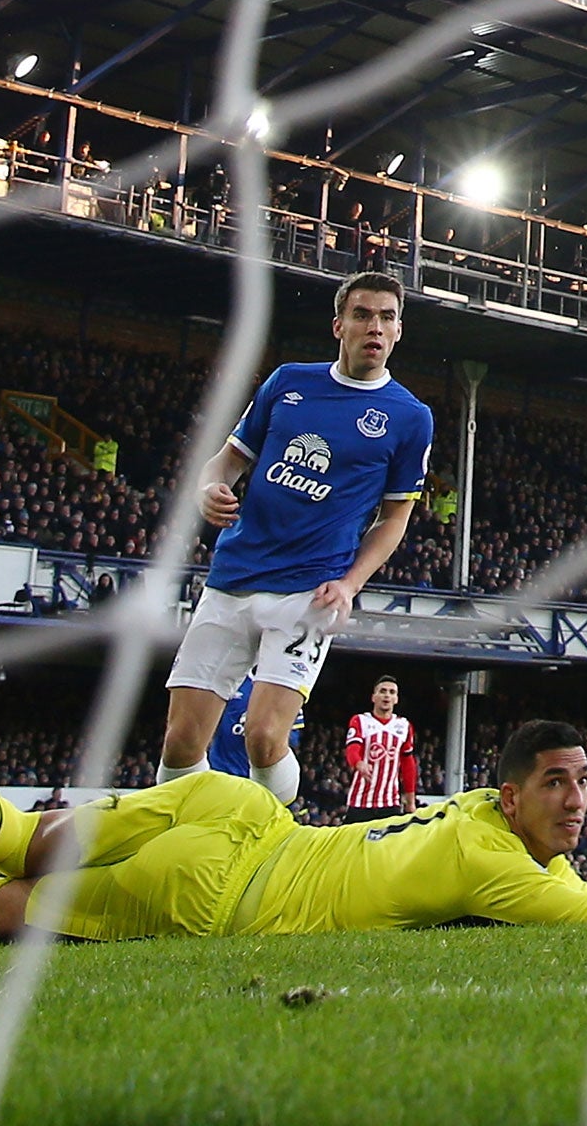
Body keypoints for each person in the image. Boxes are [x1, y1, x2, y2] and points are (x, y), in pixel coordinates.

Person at [0, 720, 587, 941]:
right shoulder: (502, 870)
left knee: (23, 835)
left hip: (241, 811)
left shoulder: (482, 815)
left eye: (585, 785)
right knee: (4, 903)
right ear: (512, 797)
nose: (576, 801)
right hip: (217, 893)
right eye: (556, 785)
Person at [156, 271, 434, 806]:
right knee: (182, 739)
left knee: (263, 737)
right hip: (234, 575)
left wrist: (351, 583)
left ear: (398, 331)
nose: (374, 326)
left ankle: (274, 834)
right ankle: (174, 836)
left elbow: (394, 518)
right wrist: (208, 488)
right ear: (339, 325)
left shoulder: (410, 417)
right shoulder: (288, 383)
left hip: (308, 593)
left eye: (387, 317)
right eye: (362, 314)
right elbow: (228, 459)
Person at [342, 675, 417, 823]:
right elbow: (352, 749)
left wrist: (411, 801)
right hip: (360, 802)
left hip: (390, 803)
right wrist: (359, 763)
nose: (387, 696)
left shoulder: (403, 726)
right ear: (373, 697)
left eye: (391, 692)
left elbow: (408, 765)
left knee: (391, 846)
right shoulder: (360, 721)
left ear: (396, 699)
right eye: (382, 691)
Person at [207, 671, 306, 779]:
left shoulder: (286, 692)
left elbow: (292, 742)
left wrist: (266, 729)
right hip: (221, 771)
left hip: (259, 779)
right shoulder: (232, 679)